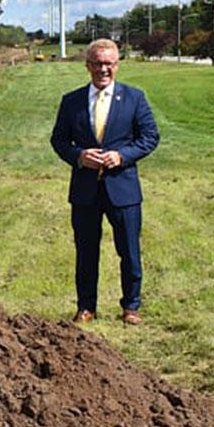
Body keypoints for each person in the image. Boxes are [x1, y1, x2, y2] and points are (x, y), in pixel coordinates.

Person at [50, 39, 159, 325]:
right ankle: (86, 307)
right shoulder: (71, 101)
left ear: (117, 65)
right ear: (88, 66)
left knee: (129, 251)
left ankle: (131, 307)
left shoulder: (135, 98)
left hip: (123, 189)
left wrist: (122, 156)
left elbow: (150, 137)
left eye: (109, 63)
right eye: (98, 63)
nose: (103, 69)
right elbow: (58, 140)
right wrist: (79, 156)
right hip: (85, 191)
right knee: (86, 251)